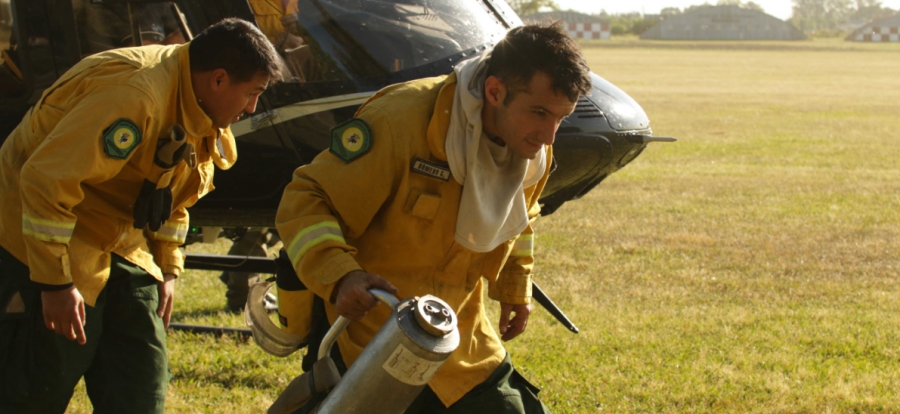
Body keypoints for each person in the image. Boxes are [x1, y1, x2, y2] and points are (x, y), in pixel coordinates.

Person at [274, 22, 591, 413]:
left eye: (561, 118)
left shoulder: (530, 150)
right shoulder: (401, 120)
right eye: (540, 112)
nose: (549, 135)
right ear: (495, 91)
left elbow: (522, 219)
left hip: (462, 343)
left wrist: (514, 284)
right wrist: (342, 276)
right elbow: (307, 198)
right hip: (370, 338)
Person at [0, 18, 283, 413]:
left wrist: (167, 268)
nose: (253, 107)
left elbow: (171, 194)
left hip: (120, 241)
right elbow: (45, 181)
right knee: (36, 385)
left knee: (140, 384)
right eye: (252, 94)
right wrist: (53, 284)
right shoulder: (136, 95)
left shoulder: (200, 105)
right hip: (40, 235)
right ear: (218, 80)